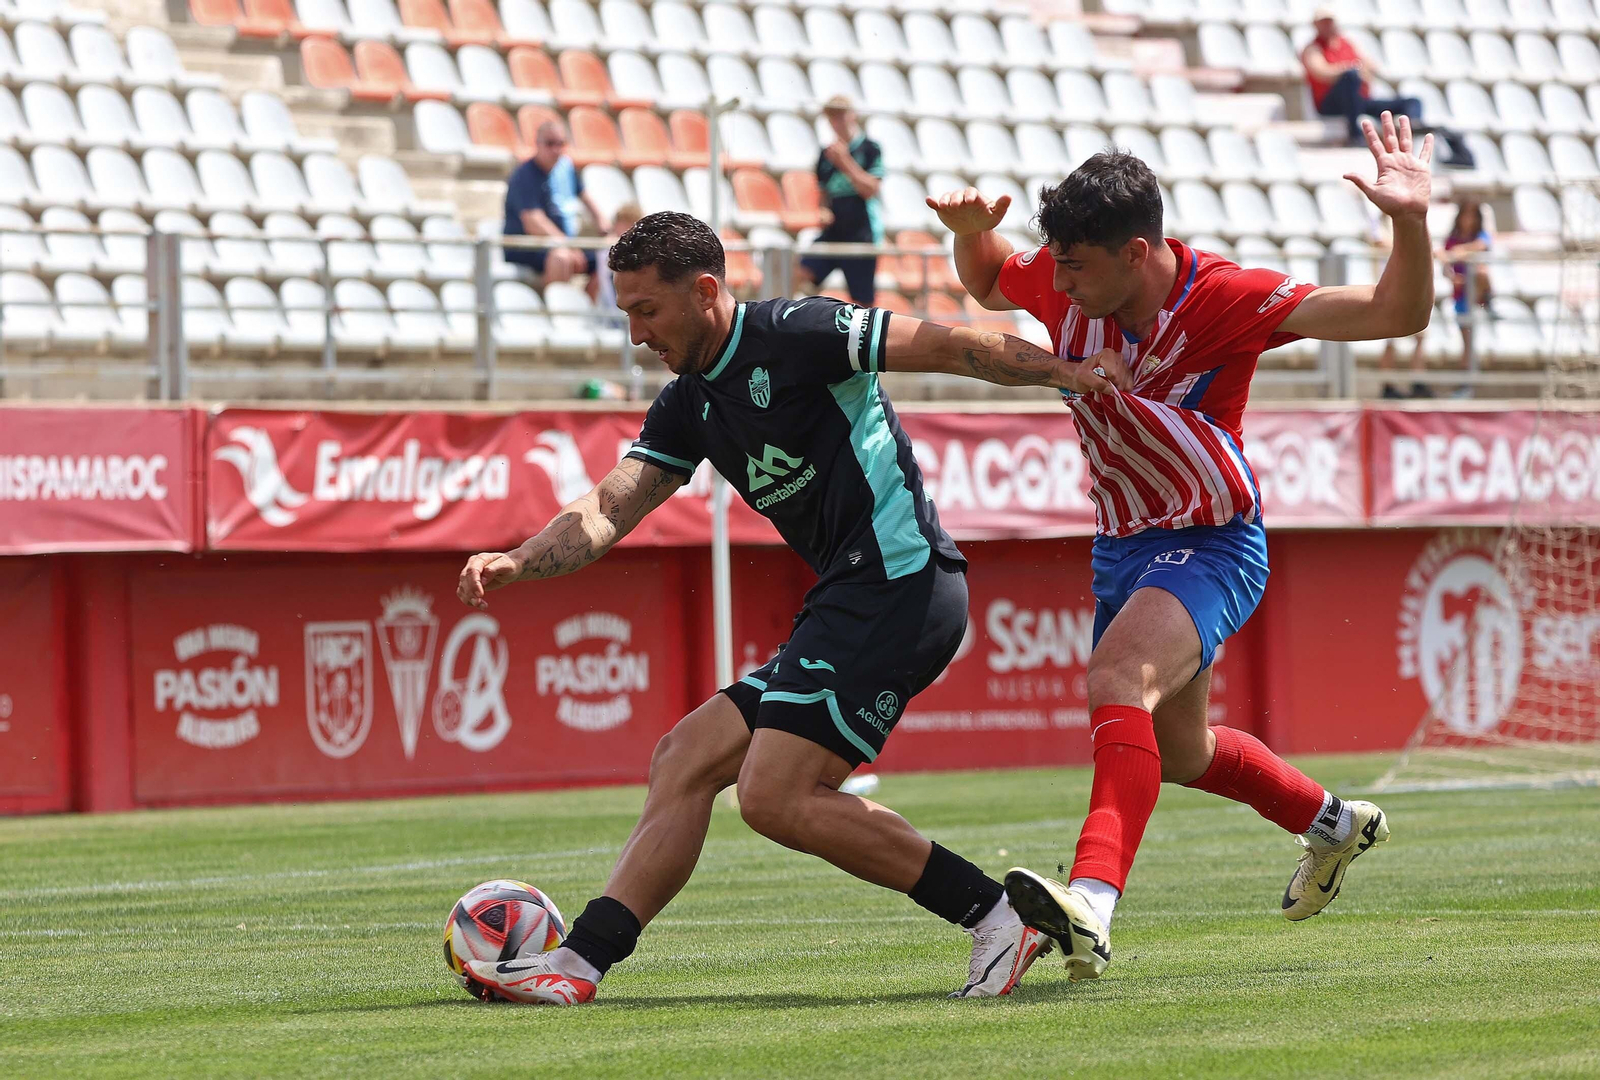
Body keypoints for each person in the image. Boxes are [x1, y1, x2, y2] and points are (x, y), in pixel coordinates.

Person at [454, 211, 1126, 1006]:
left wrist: (1067, 374)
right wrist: (523, 557)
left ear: (705, 291)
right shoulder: (688, 403)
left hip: (900, 580)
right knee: (687, 755)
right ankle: (577, 967)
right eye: (625, 312)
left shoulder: (802, 330)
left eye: (646, 311)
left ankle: (996, 917)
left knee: (774, 795)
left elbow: (950, 345)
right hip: (849, 594)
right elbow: (613, 503)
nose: (636, 335)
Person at [927, 112, 1432, 980]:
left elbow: (1397, 312)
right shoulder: (1066, 277)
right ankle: (1336, 825)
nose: (1058, 284)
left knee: (1117, 678)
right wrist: (974, 237)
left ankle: (1092, 900)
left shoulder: (1229, 297)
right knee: (1185, 753)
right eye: (1056, 264)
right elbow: (987, 283)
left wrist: (1410, 220)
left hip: (1212, 538)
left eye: (1076, 267)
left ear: (1136, 252)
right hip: (1124, 543)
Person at [796, 96, 886, 309]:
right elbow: (823, 192)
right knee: (799, 273)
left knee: (863, 301)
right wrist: (823, 210)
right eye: (832, 117)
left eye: (840, 115)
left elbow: (870, 189)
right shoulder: (825, 153)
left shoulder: (870, 149)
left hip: (861, 234)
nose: (837, 122)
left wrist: (845, 161)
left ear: (852, 115)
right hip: (834, 232)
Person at [502, 120, 609, 293]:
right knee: (561, 258)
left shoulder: (565, 168)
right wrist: (568, 245)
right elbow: (533, 222)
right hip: (526, 246)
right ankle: (557, 313)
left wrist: (604, 225)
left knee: (607, 260)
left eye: (560, 144)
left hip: (560, 242)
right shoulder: (524, 175)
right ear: (537, 144)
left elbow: (585, 197)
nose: (555, 150)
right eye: (550, 143)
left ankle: (588, 311)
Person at [1301, 10, 1420, 146]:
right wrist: (1349, 69)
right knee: (1350, 77)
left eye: (1329, 21)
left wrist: (1359, 70)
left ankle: (1411, 130)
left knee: (1412, 102)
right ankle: (1355, 135)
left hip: (1358, 101)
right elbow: (1321, 72)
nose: (1327, 25)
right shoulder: (1313, 48)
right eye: (1323, 22)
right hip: (1330, 103)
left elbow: (1371, 67)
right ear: (1316, 25)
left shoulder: (1346, 44)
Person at [1439, 200, 1492, 386]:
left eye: (1472, 216)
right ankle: (1466, 380)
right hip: (1461, 294)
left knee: (1481, 272)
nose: (1468, 220)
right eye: (1465, 215)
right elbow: (1445, 266)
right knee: (1467, 340)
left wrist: (1459, 252)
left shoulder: (1479, 237)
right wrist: (1453, 278)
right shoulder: (1452, 238)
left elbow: (1482, 245)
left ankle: (1488, 304)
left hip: (1477, 293)